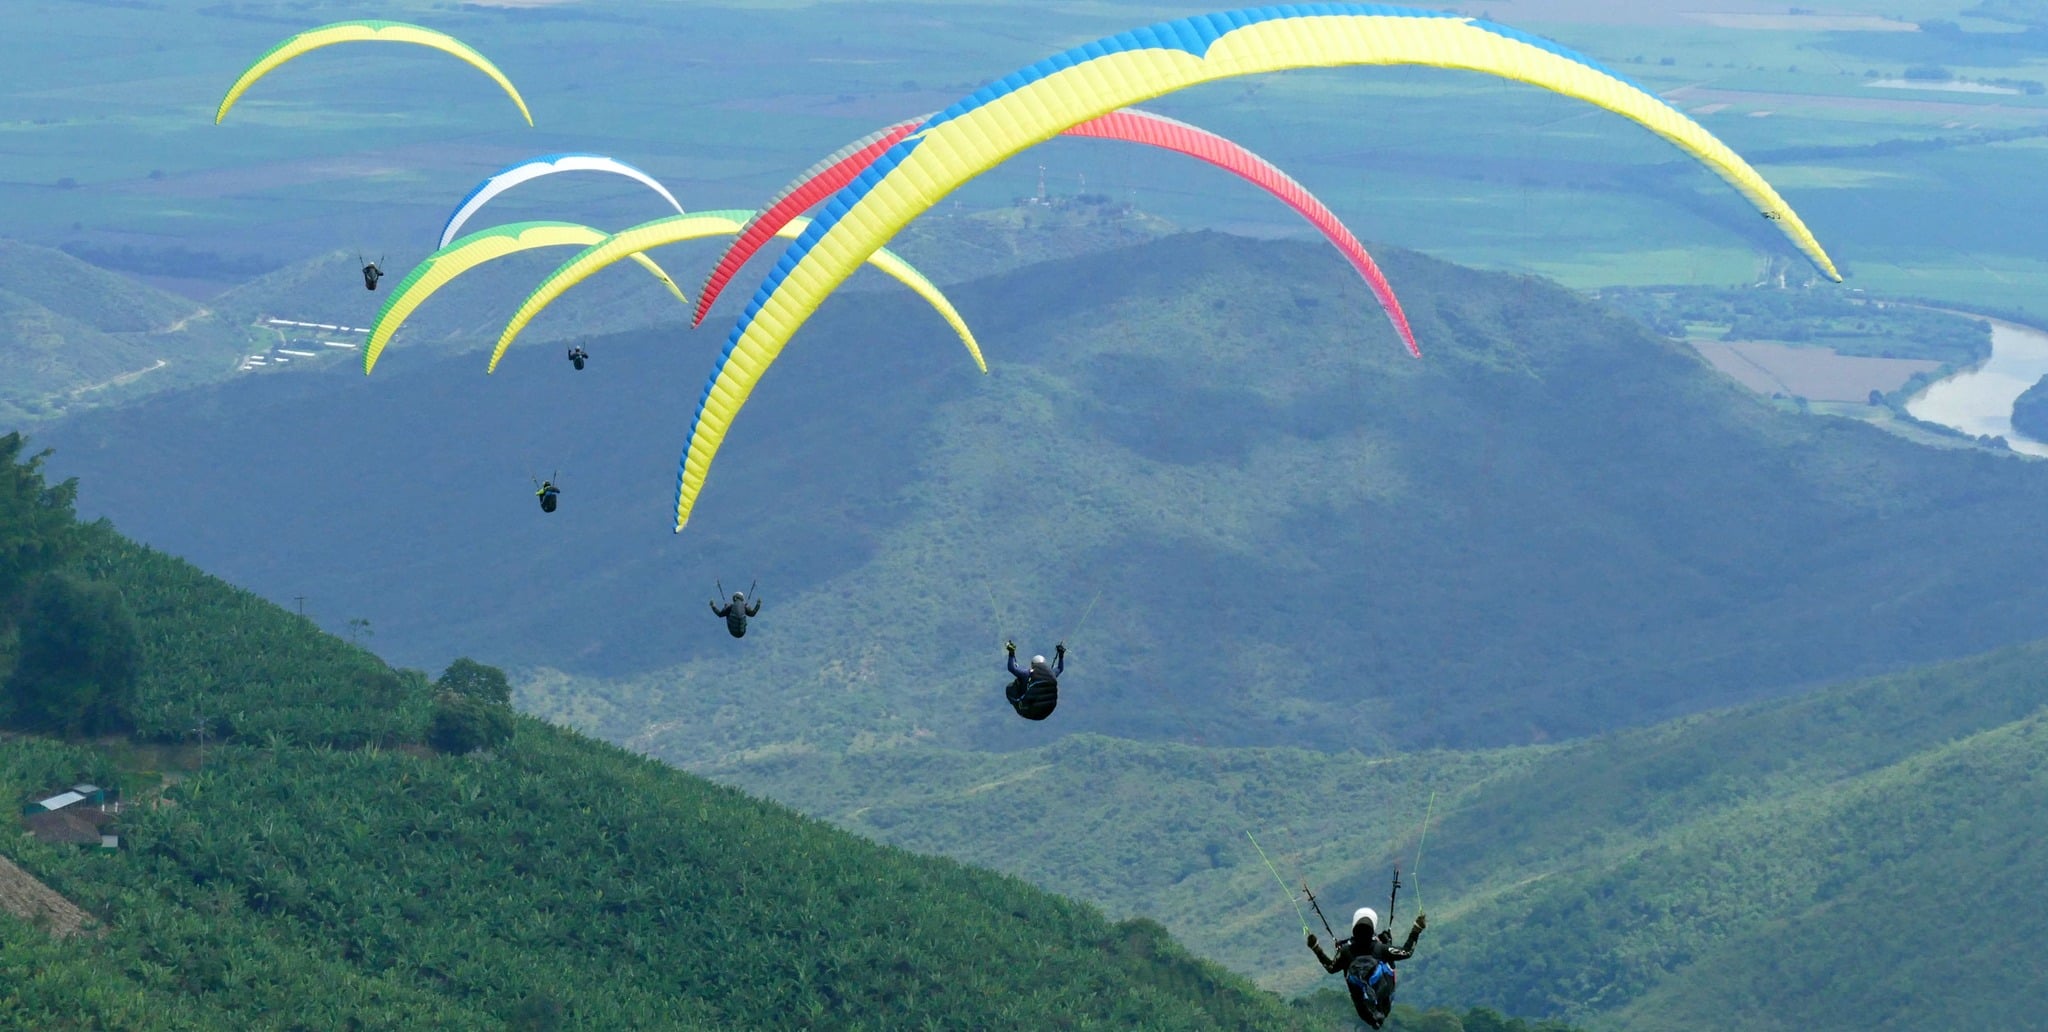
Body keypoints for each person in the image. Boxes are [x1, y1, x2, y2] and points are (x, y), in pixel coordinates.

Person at [1308, 908, 1426, 1028]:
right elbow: (1406, 952)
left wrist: (1316, 948)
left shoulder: (1345, 952)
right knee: (1387, 964)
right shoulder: (1381, 949)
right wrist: (1416, 929)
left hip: (1363, 1010)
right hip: (1384, 1004)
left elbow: (1330, 968)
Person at [1003, 640, 1064, 720]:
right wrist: (1061, 655)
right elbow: (1060, 668)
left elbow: (1012, 668)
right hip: (1045, 713)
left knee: (1010, 687)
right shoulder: (1051, 674)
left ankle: (1019, 700)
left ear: (1032, 664)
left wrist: (1011, 653)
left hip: (1028, 710)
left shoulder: (1027, 674)